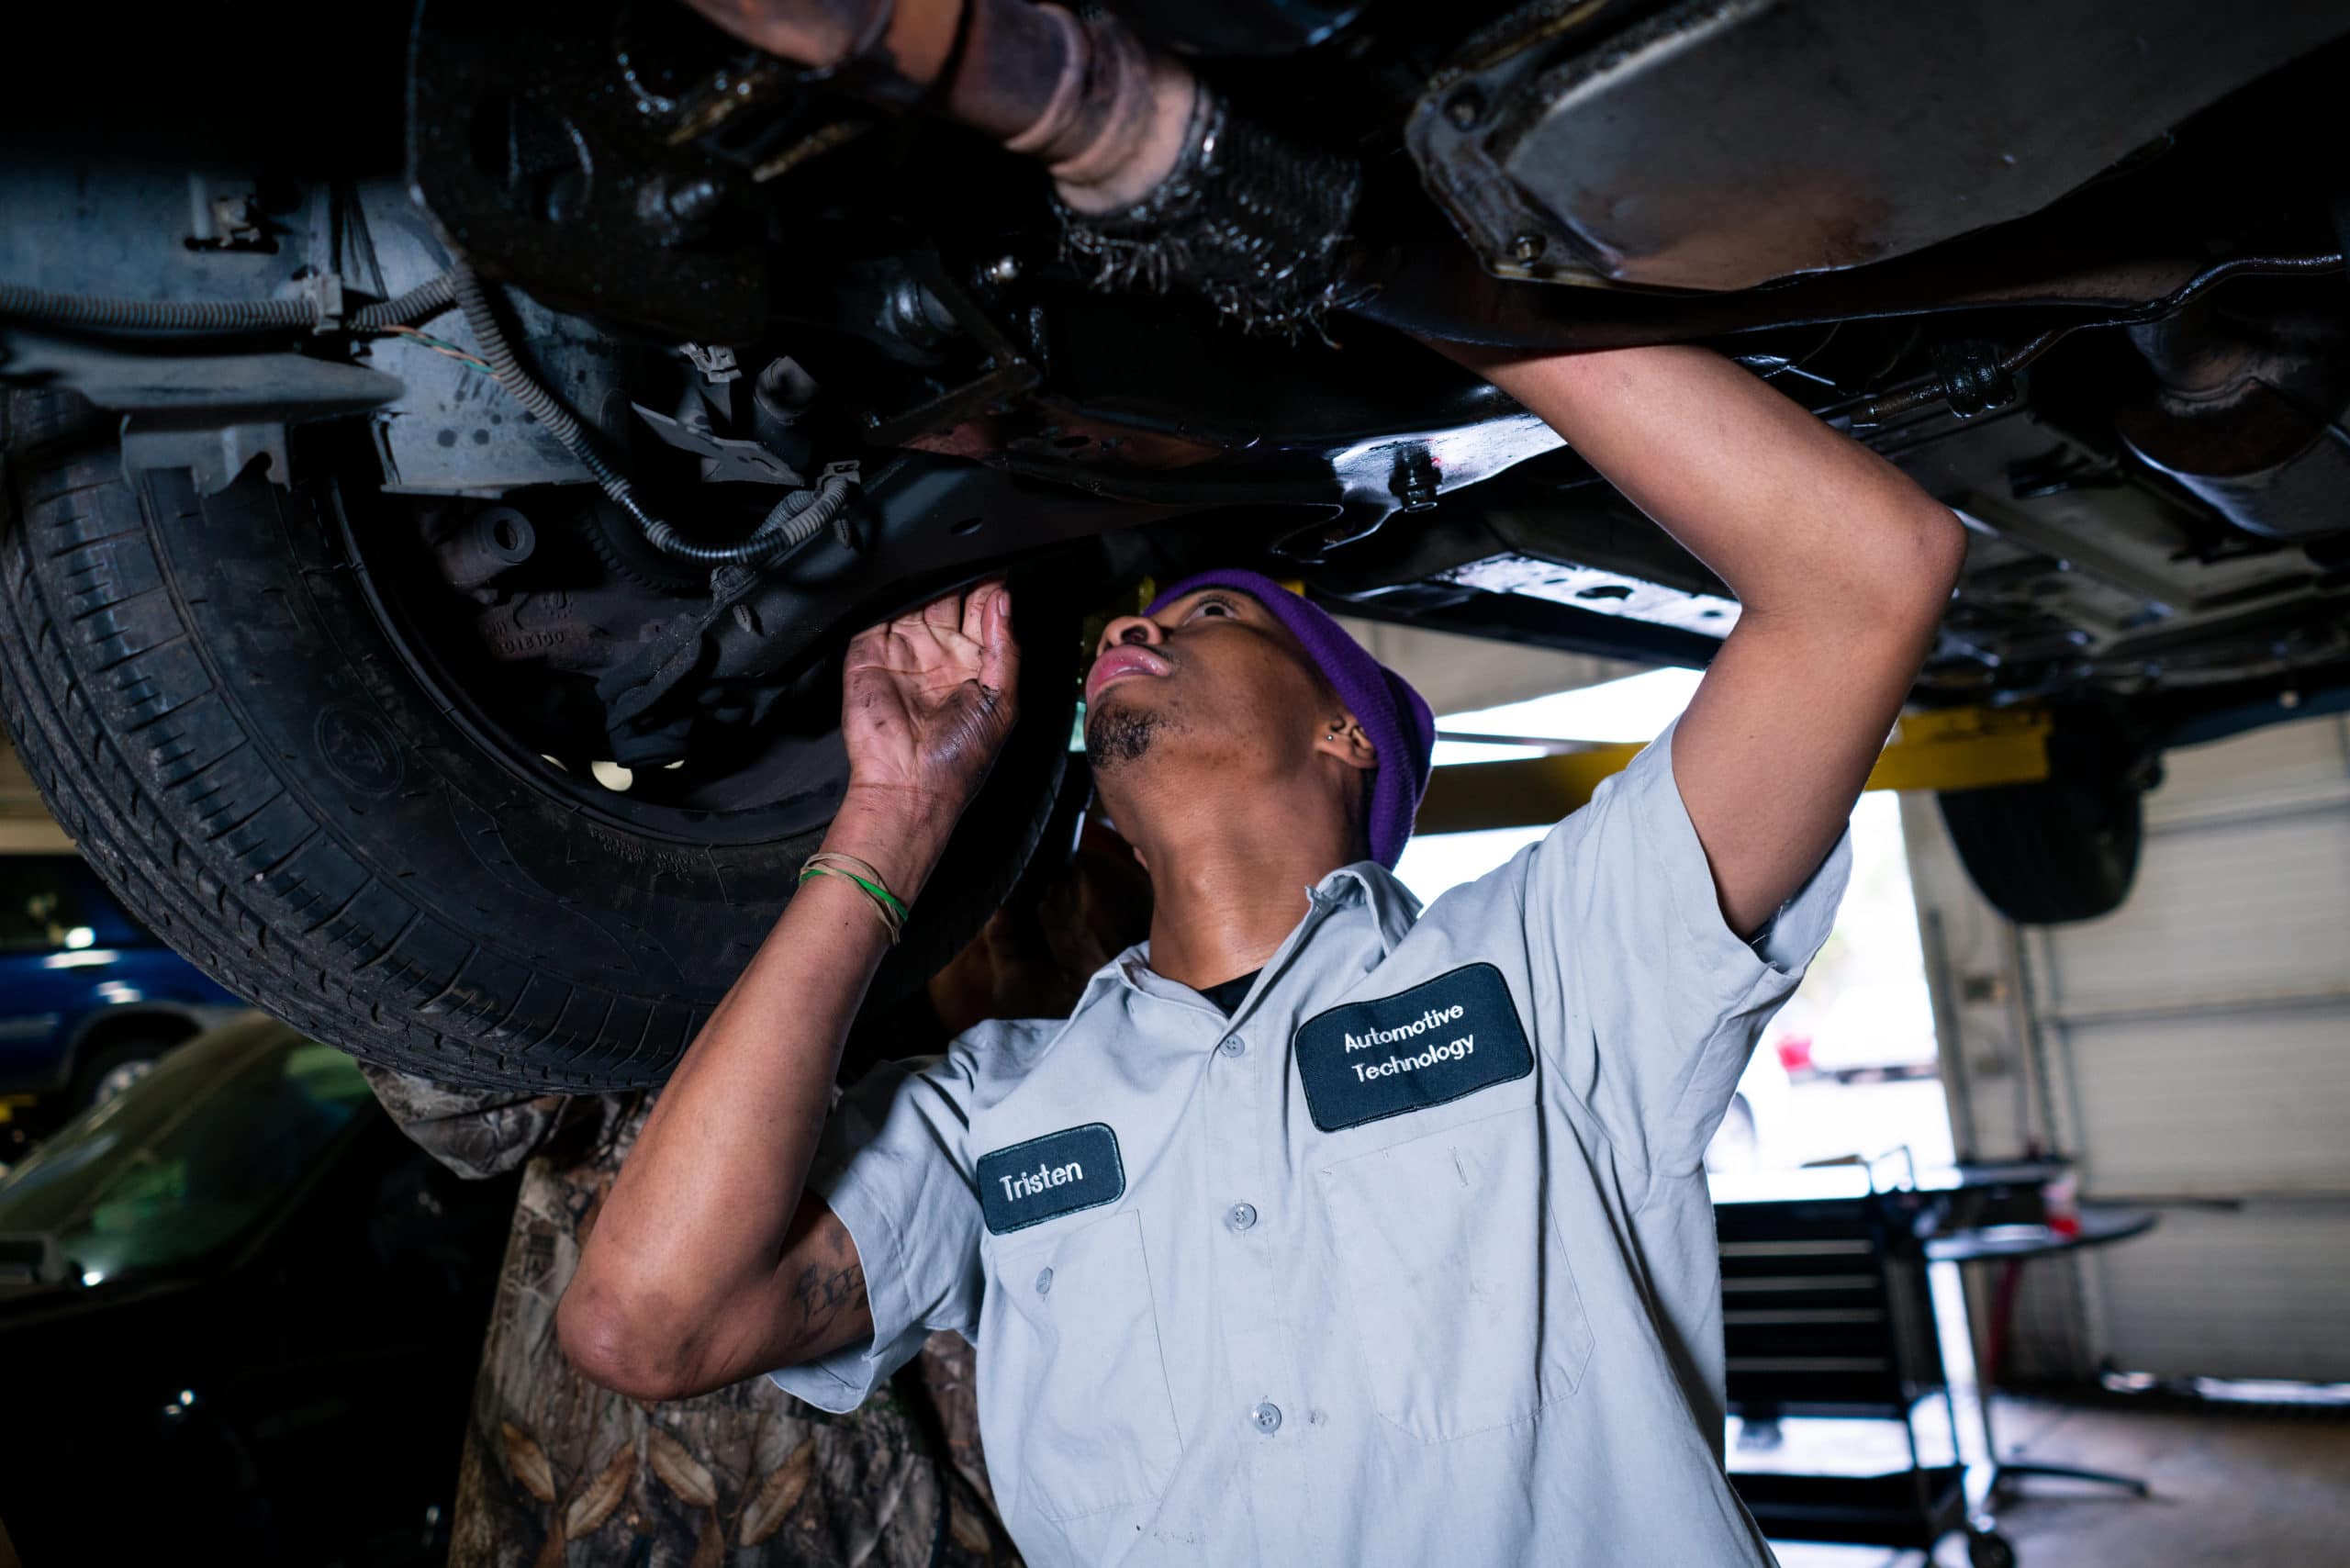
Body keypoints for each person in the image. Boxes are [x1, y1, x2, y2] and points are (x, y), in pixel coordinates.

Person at [556, 342, 1968, 1567]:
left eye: (1206, 616)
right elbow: (646, 1326)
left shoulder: (1550, 967)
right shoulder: (996, 1107)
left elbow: (1865, 573)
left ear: (1348, 732)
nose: (1128, 626)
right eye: (1143, 619)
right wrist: (897, 816)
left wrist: (1412, 279)